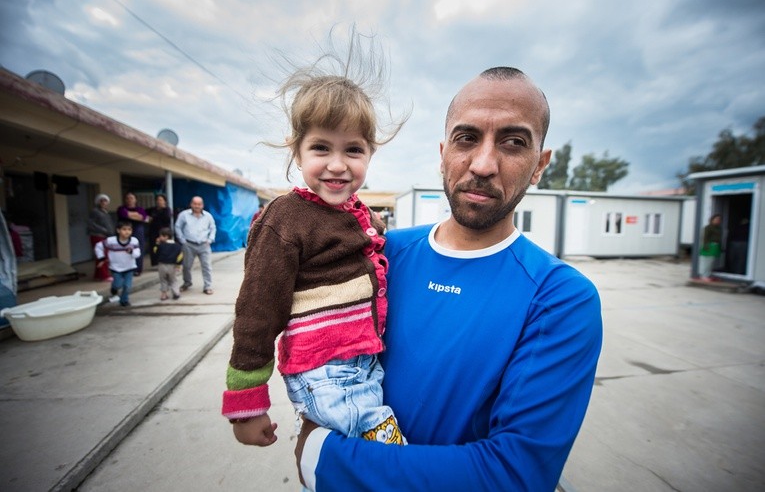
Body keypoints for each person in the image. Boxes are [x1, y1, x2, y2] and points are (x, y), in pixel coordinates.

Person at [293, 67, 603, 492]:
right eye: (467, 138)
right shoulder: (379, 254)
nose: (483, 164)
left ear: (539, 166)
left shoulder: (561, 298)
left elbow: (516, 475)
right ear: (443, 153)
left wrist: (323, 457)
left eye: (514, 142)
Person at [222, 35, 408, 452]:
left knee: (358, 464)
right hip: (326, 372)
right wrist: (246, 405)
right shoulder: (285, 220)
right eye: (321, 147)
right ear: (297, 151)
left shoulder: (362, 217)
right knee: (388, 458)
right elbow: (256, 311)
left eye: (353, 150)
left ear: (370, 154)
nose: (338, 165)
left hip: (361, 365)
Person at [174, 196, 216, 294]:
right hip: (188, 244)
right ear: (191, 204)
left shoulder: (208, 216)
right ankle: (187, 282)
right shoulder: (184, 215)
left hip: (204, 244)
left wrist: (210, 239)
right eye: (195, 204)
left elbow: (213, 228)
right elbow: (177, 227)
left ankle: (207, 286)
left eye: (199, 204)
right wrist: (182, 240)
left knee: (207, 266)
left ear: (202, 205)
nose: (197, 206)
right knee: (187, 266)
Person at [94, 220, 140, 307]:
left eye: (129, 229)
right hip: (116, 268)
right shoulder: (111, 241)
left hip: (129, 267)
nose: (127, 232)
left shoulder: (134, 241)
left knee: (127, 286)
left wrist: (132, 252)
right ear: (118, 230)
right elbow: (98, 246)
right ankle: (114, 289)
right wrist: (101, 258)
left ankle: (124, 300)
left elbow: (138, 253)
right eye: (124, 229)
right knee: (117, 284)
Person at [117, 192, 149, 276]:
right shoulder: (121, 208)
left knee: (138, 250)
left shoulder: (140, 209)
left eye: (132, 198)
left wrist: (130, 215)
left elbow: (143, 218)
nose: (130, 200)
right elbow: (124, 214)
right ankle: (126, 269)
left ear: (135, 200)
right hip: (124, 232)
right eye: (128, 198)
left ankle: (137, 269)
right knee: (124, 249)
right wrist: (135, 215)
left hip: (138, 231)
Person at [87, 193, 113, 281]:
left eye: (105, 201)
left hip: (106, 236)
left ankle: (98, 274)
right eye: (101, 201)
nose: (103, 202)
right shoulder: (95, 211)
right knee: (101, 255)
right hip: (98, 235)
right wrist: (104, 230)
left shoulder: (106, 212)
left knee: (103, 254)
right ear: (98, 202)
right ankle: (104, 275)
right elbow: (91, 224)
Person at [153, 227, 183, 301]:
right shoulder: (177, 246)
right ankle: (176, 293)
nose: (159, 238)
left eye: (160, 236)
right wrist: (178, 264)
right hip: (172, 266)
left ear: (165, 236)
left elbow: (155, 252)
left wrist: (157, 244)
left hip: (161, 265)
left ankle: (164, 294)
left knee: (163, 280)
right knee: (173, 280)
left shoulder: (161, 245)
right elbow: (180, 256)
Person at [147, 194, 173, 267]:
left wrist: (153, 218)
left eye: (161, 200)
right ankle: (156, 263)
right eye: (158, 200)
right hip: (153, 231)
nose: (159, 201)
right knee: (154, 247)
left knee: (165, 247)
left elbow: (166, 219)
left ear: (165, 201)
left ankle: (165, 262)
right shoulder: (152, 209)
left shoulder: (167, 210)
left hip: (164, 232)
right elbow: (144, 214)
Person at [698, 213, 722, 281]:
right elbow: (705, 238)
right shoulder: (708, 227)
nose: (717, 221)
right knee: (706, 261)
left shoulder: (719, 228)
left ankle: (708, 274)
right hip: (709, 246)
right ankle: (703, 275)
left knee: (711, 262)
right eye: (716, 219)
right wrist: (706, 246)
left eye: (719, 219)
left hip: (715, 246)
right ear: (712, 220)